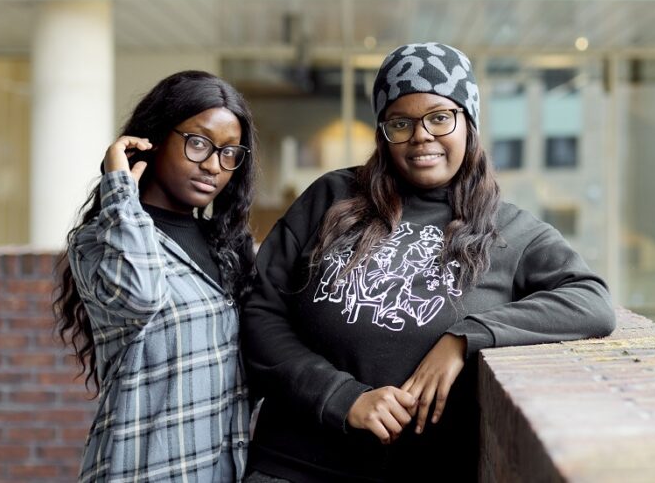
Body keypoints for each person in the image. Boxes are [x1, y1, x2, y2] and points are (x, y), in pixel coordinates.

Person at [243, 42, 616, 482]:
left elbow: (591, 301)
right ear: (384, 133)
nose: (422, 136)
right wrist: (342, 397)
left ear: (468, 123)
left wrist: (466, 337)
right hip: (294, 464)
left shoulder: (508, 231)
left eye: (440, 117)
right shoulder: (332, 197)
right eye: (401, 122)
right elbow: (259, 312)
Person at [53, 70, 257, 482]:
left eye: (230, 153)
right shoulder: (101, 240)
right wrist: (120, 192)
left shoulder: (226, 246)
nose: (214, 166)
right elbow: (141, 296)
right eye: (198, 143)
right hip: (142, 469)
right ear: (156, 138)